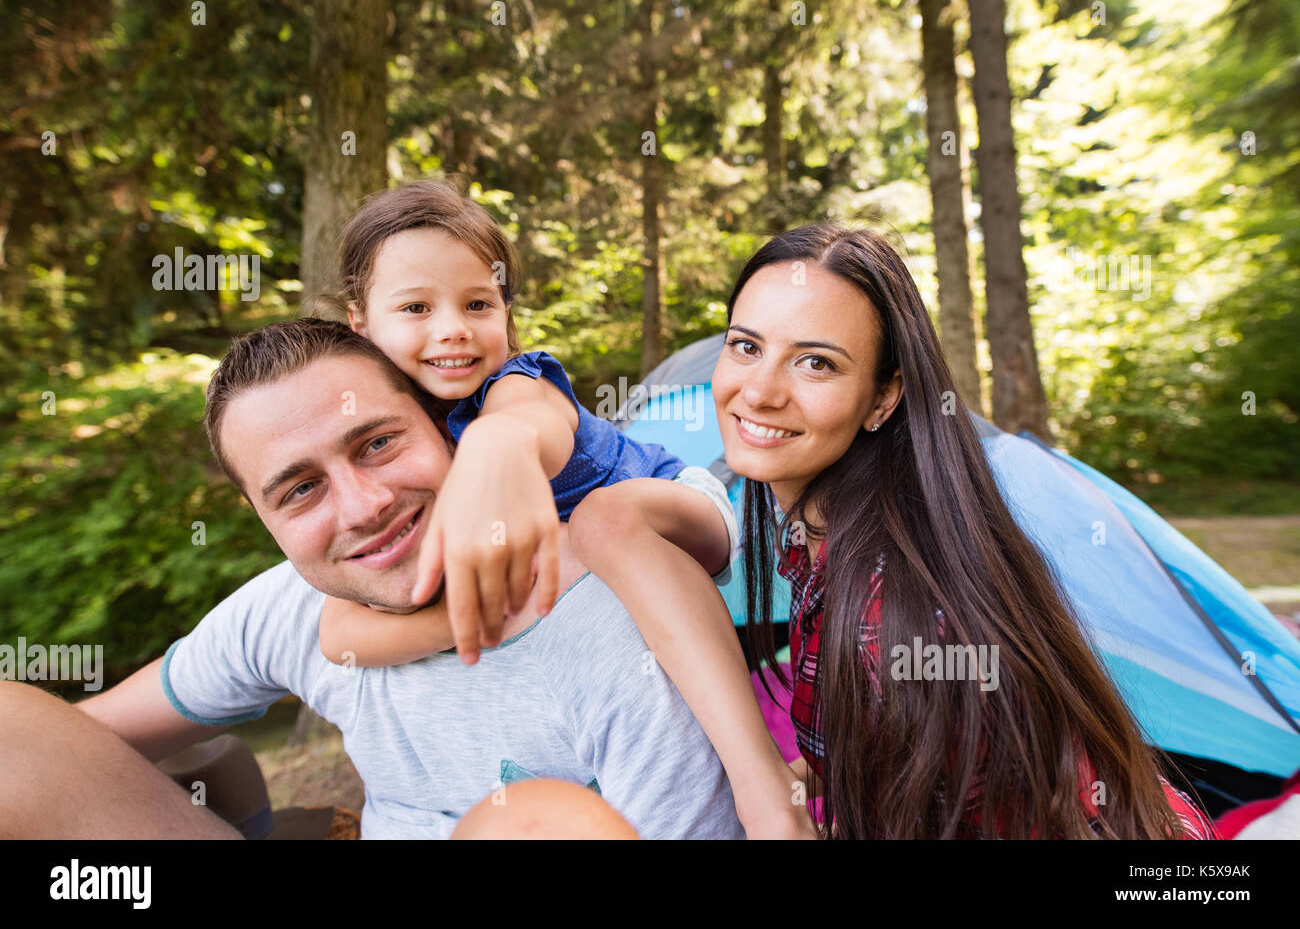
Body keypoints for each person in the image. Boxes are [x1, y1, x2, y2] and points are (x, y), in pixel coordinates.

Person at [0, 318, 744, 840]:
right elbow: (63, 746)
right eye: (300, 489)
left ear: (446, 426)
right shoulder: (289, 610)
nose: (365, 506)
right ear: (264, 519)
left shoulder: (609, 618)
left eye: (378, 443)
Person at [312, 180, 810, 838]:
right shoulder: (393, 430)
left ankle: (765, 790)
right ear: (359, 320)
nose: (453, 328)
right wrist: (484, 611)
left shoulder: (519, 382)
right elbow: (339, 634)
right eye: (415, 307)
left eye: (478, 303)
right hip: (569, 566)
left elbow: (533, 426)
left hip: (678, 504)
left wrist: (503, 442)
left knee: (604, 522)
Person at [706, 222, 1219, 838]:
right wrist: (771, 783)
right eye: (745, 345)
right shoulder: (846, 542)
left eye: (816, 363)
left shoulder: (888, 610)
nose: (759, 391)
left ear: (882, 399)